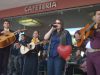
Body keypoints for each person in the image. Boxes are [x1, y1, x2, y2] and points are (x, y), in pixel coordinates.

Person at [86, 10, 100, 75]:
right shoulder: (92, 26)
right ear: (94, 17)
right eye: (99, 14)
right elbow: (85, 35)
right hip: (89, 54)